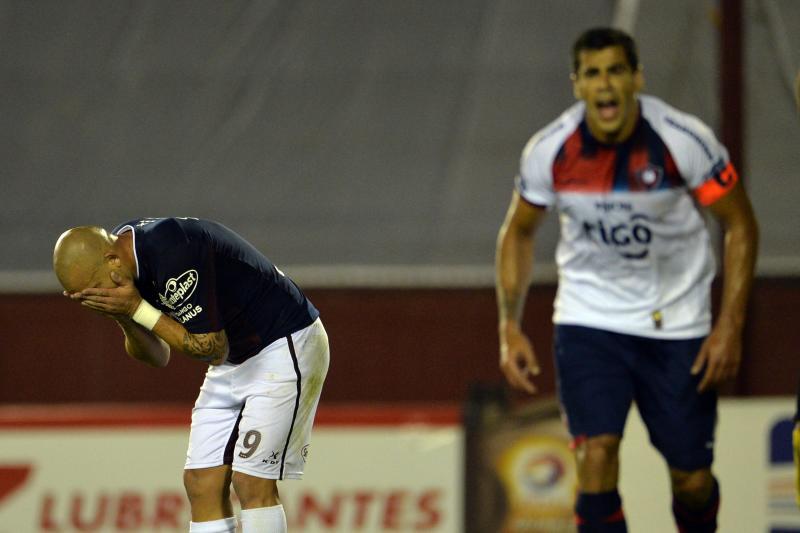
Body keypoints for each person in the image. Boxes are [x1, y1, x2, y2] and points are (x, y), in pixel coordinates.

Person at [495, 28, 758, 532]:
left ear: (636, 77)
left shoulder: (683, 140)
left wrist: (730, 326)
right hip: (590, 321)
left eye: (616, 70)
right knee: (595, 454)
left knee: (692, 480)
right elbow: (519, 232)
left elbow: (740, 223)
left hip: (678, 324)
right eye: (593, 74)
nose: (606, 85)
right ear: (577, 85)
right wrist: (509, 324)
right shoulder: (551, 150)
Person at [53, 217, 330, 533]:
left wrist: (135, 309)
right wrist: (123, 315)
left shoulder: (171, 249)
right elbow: (158, 356)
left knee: (251, 480)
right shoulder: (118, 267)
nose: (105, 298)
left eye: (101, 291)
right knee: (200, 482)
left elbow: (211, 348)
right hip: (235, 358)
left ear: (112, 258)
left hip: (283, 341)